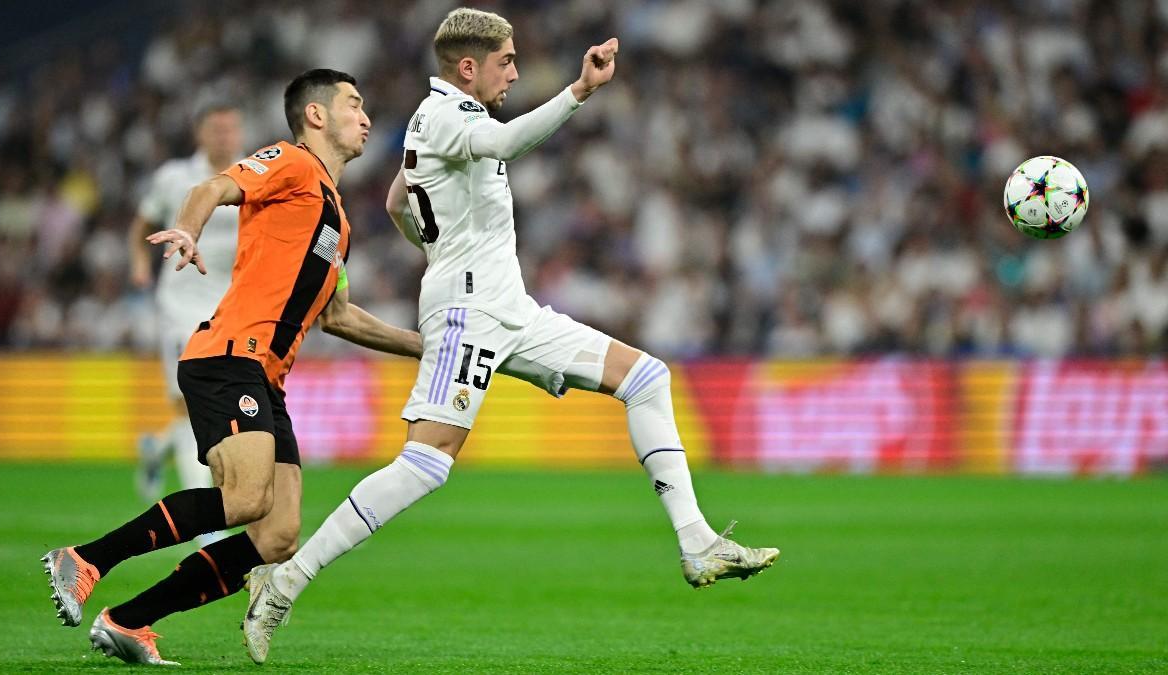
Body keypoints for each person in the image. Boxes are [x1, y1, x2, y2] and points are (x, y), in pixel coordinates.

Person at [241, 8, 779, 664]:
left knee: (646, 376)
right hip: (469, 311)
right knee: (427, 463)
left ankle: (696, 541)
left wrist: (437, 247)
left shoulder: (443, 124)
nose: (516, 71)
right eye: (507, 61)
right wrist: (578, 91)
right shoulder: (446, 117)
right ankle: (284, 580)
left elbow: (395, 201)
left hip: (509, 307)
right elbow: (501, 146)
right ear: (468, 67)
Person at [41, 68, 422, 666]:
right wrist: (189, 233)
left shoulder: (338, 220)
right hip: (228, 356)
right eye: (354, 103)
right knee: (244, 499)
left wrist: (427, 347)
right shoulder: (291, 163)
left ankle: (129, 620)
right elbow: (212, 188)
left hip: (266, 377)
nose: (367, 115)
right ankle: (87, 558)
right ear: (317, 115)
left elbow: (340, 317)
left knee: (278, 534)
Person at [128, 104, 242, 546]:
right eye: (216, 128)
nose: (225, 136)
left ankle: (157, 449)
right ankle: (205, 522)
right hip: (180, 301)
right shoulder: (174, 177)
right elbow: (142, 223)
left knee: (216, 406)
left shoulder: (249, 173)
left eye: (231, 127)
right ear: (200, 132)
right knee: (187, 403)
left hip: (230, 305)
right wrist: (139, 263)